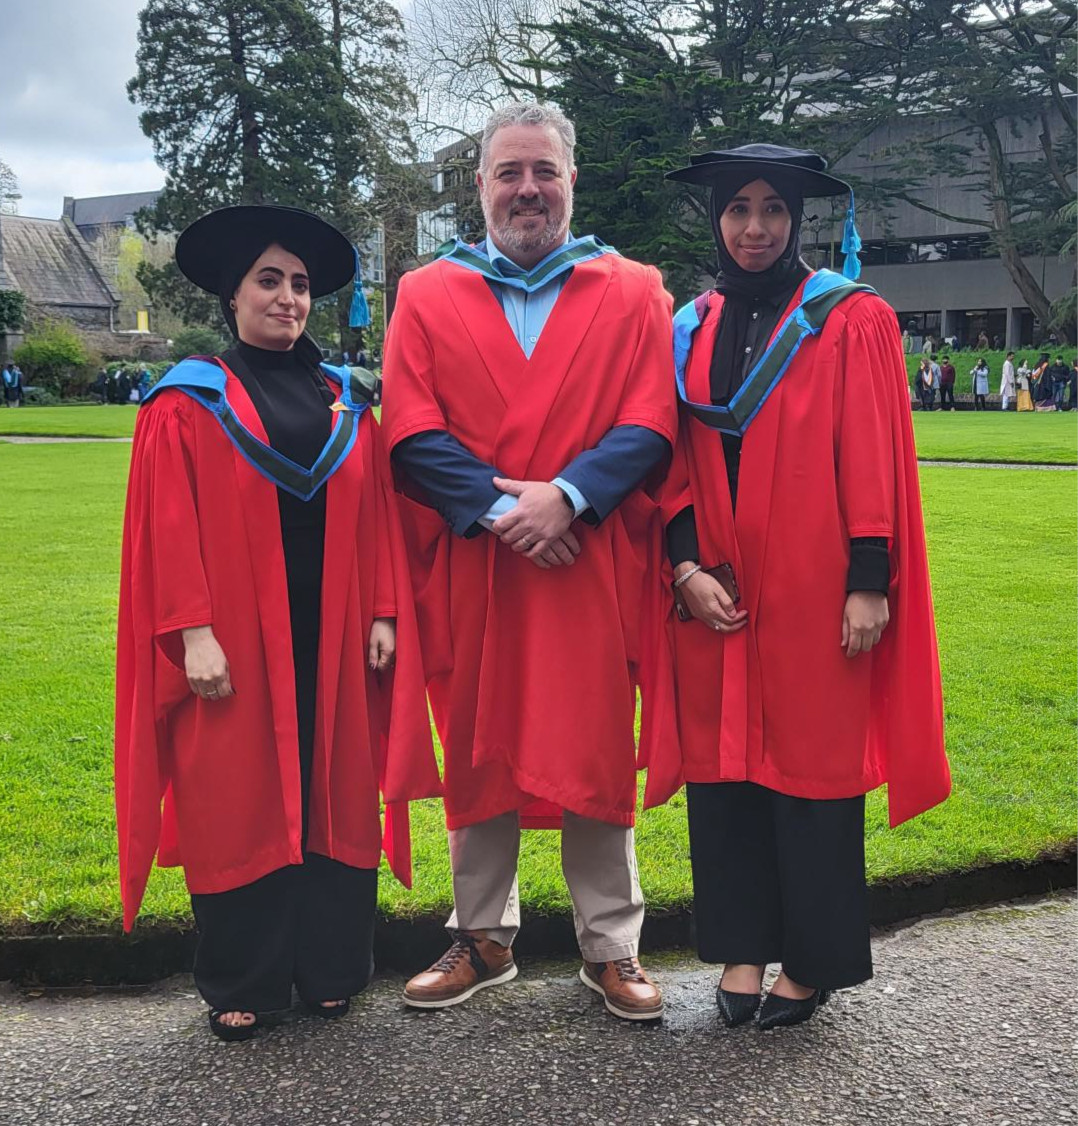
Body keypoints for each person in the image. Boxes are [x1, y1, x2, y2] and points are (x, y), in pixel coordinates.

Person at [115, 203, 441, 1042]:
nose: (289, 298)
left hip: (331, 633)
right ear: (232, 295)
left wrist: (381, 612)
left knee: (333, 788)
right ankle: (244, 977)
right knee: (238, 797)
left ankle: (331, 969)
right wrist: (191, 633)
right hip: (235, 639)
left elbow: (373, 512)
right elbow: (168, 526)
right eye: (270, 281)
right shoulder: (188, 400)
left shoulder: (342, 399)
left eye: (300, 285)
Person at [384, 102, 679, 1022]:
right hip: (480, 564)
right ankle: (482, 935)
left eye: (543, 172)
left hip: (586, 564)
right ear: (479, 185)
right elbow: (410, 432)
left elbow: (650, 424)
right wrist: (511, 508)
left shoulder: (632, 289)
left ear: (570, 182)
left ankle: (612, 946)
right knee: (477, 740)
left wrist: (570, 498)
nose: (526, 190)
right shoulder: (426, 293)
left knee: (593, 738)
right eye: (508, 173)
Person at [662, 143, 949, 1031]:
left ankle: (813, 961)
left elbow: (872, 452)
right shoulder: (689, 324)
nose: (755, 227)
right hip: (718, 581)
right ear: (715, 218)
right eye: (739, 209)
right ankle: (743, 951)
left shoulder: (846, 317)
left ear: (799, 220)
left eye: (774, 211)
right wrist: (683, 568)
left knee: (815, 776)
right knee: (725, 774)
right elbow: (666, 456)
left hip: (815, 578)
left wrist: (870, 579)